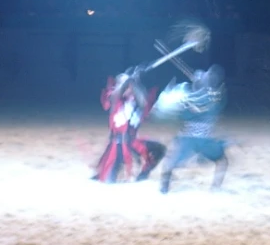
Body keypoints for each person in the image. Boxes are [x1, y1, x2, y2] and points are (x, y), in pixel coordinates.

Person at [159, 65, 229, 194]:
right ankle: (215, 189)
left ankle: (163, 190)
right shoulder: (215, 97)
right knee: (222, 161)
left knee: (170, 164)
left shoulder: (192, 97)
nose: (202, 73)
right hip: (204, 139)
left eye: (205, 74)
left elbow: (179, 112)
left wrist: (175, 92)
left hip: (189, 138)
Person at [93, 68, 166, 183]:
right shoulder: (115, 100)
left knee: (159, 149)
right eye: (126, 86)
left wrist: (134, 80)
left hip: (132, 143)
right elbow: (117, 92)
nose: (128, 89)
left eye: (130, 87)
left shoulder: (136, 102)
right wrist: (127, 80)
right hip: (116, 147)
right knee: (109, 181)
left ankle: (143, 174)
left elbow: (143, 100)